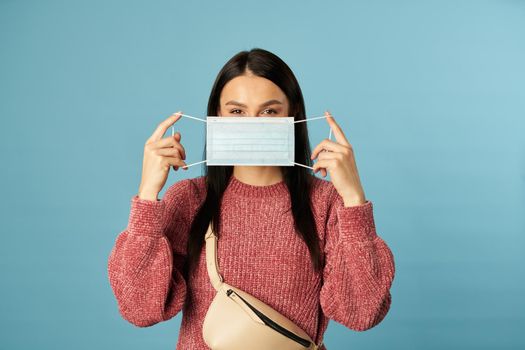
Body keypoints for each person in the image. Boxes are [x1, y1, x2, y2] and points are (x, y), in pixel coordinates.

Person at [107, 48, 396, 349]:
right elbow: (139, 309)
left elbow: (362, 313)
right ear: (216, 116)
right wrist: (147, 196)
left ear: (292, 114)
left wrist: (353, 199)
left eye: (269, 111)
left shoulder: (325, 203)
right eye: (237, 112)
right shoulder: (190, 199)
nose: (252, 124)